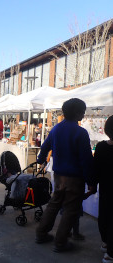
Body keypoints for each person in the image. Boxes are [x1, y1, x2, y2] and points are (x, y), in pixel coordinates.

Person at [35, 98, 97, 252]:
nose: (83, 113)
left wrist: (41, 160)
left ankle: (41, 234)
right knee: (70, 209)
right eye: (82, 111)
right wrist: (91, 181)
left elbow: (45, 146)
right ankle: (61, 243)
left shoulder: (56, 129)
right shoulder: (80, 133)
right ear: (77, 113)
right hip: (75, 178)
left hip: (59, 176)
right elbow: (86, 159)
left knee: (54, 204)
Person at [94, 115, 113, 263]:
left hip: (105, 188)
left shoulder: (101, 147)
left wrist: (92, 185)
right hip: (106, 188)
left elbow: (96, 169)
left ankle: (106, 243)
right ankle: (110, 253)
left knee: (105, 214)